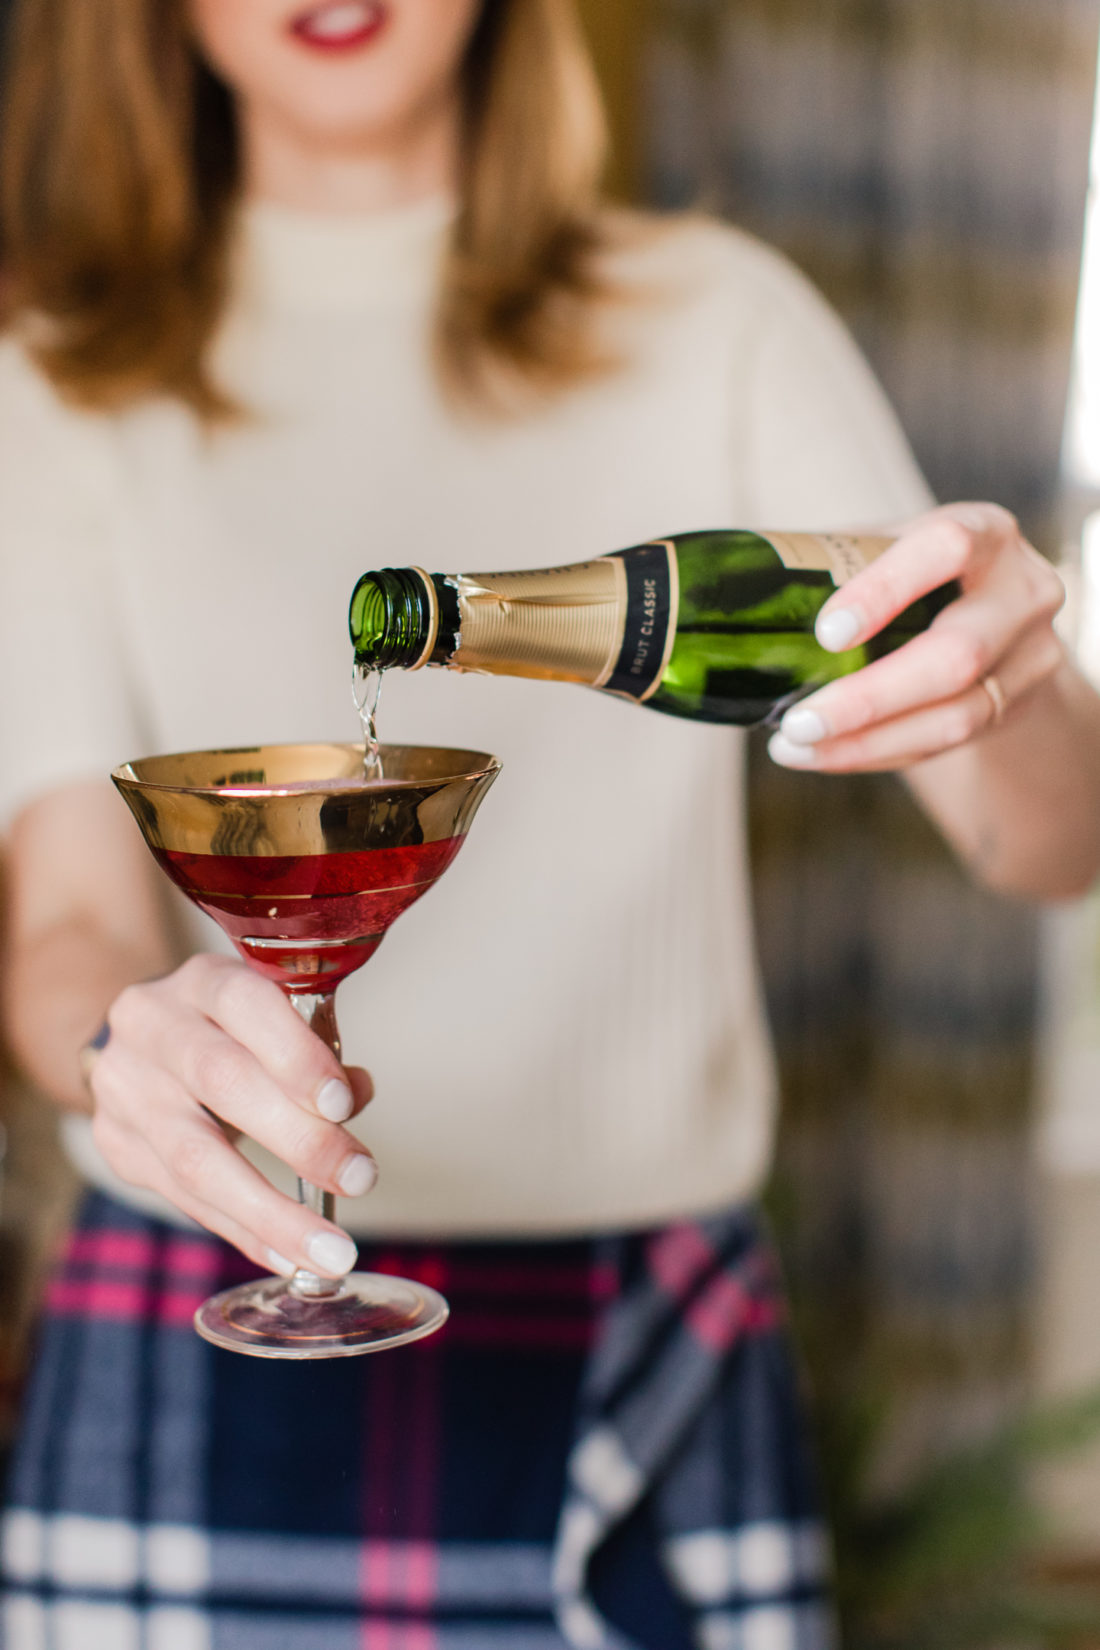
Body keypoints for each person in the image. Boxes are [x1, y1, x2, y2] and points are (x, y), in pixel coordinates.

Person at [0, 0, 1098, 1644]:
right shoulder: (47, 381)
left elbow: (1048, 844)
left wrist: (1015, 671)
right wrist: (118, 1036)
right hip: (195, 1330)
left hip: (644, 1342)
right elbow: (68, 911)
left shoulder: (723, 323)